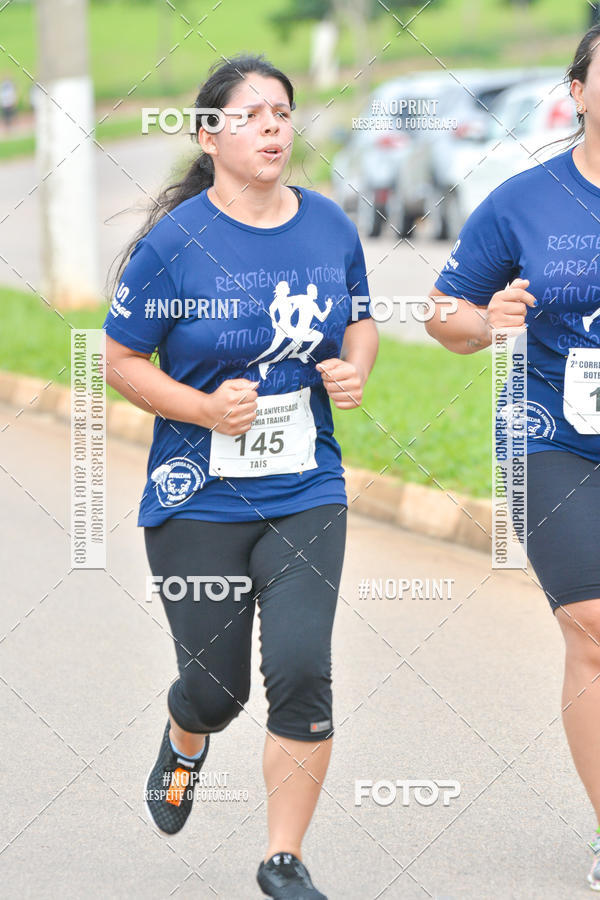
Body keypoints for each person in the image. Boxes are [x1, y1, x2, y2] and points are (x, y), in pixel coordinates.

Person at [102, 53, 378, 899]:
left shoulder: (330, 224)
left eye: (283, 113)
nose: (272, 126)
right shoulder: (173, 243)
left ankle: (282, 858)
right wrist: (201, 408)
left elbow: (359, 321)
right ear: (208, 134)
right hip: (199, 498)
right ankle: (187, 738)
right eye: (252, 113)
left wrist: (353, 371)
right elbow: (117, 359)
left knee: (301, 667)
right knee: (216, 689)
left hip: (306, 488)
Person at [425, 26, 600, 893]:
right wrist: (486, 319)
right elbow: (442, 315)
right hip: (551, 437)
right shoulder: (525, 201)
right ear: (577, 90)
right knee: (593, 625)